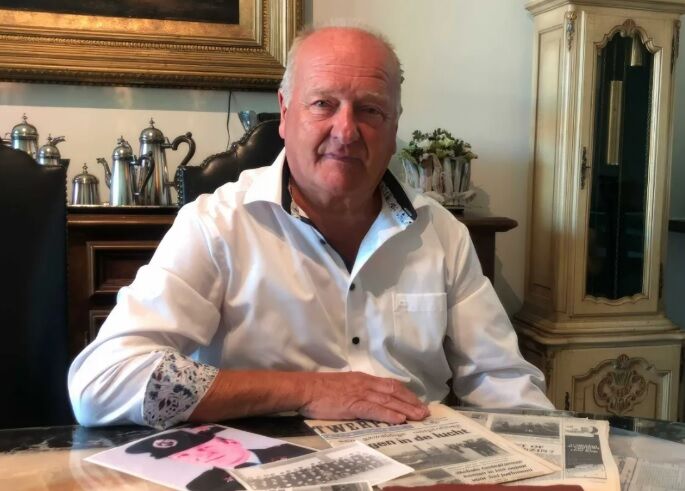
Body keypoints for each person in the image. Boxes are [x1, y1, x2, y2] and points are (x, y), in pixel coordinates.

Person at [68, 24, 553, 430]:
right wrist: (307, 390)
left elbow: (505, 386)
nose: (346, 130)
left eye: (370, 109)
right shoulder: (216, 225)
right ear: (285, 113)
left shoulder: (442, 233)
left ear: (394, 125)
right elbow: (102, 382)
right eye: (323, 103)